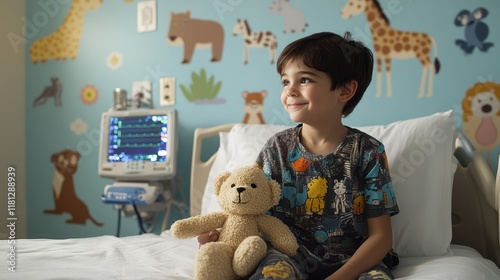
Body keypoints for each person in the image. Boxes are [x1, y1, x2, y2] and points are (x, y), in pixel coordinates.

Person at [198, 31, 399, 280]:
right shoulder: (277, 149)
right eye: (285, 81)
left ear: (345, 90)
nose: (290, 91)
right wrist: (221, 235)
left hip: (356, 262)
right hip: (288, 255)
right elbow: (251, 209)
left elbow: (381, 237)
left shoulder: (368, 152)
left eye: (304, 80)